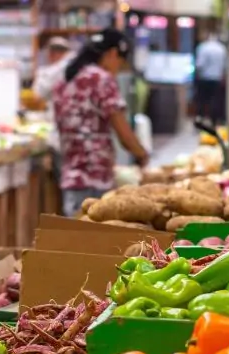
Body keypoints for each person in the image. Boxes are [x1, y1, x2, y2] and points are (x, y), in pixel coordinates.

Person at [53, 28, 150, 217]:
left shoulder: (66, 78)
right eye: (120, 63)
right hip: (95, 176)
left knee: (73, 235)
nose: (118, 70)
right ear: (113, 53)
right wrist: (142, 154)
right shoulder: (100, 79)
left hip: (71, 175)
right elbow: (123, 132)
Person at [32, 37, 75, 191]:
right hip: (77, 138)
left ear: (52, 53)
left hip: (63, 136)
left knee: (67, 185)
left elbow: (38, 93)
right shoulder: (76, 65)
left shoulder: (56, 70)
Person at [194, 29, 227, 124]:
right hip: (217, 78)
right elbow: (225, 66)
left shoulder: (203, 48)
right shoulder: (222, 48)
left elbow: (200, 65)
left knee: (202, 100)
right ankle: (214, 121)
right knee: (215, 101)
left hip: (204, 78)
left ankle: (200, 119)